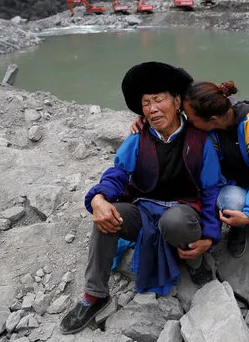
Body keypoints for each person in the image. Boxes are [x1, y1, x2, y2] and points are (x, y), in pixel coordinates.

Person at [131, 79, 249, 330]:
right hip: (233, 188)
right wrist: (143, 122)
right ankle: (237, 226)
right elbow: (173, 122)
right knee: (228, 201)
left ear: (212, 120)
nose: (187, 118)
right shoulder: (207, 125)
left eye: (191, 116)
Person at [60, 62, 224, 335]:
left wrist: (209, 237)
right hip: (144, 211)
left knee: (174, 222)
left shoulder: (201, 140)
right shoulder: (138, 139)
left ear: (177, 101)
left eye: (159, 99)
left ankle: (195, 260)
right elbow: (118, 174)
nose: (152, 108)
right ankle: (95, 294)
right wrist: (99, 198)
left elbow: (210, 192)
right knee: (108, 217)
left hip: (184, 212)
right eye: (146, 102)